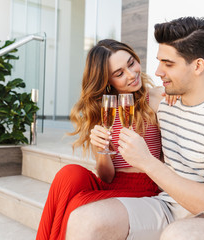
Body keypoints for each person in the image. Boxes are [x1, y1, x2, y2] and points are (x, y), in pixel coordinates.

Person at [65, 16, 204, 240]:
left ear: (198, 66)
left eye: (168, 64)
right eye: (159, 61)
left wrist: (146, 161)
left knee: (178, 236)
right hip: (165, 205)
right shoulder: (163, 102)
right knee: (84, 219)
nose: (157, 72)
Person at [36, 39, 177, 240]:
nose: (131, 74)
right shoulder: (105, 110)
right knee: (68, 174)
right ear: (106, 80)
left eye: (131, 63)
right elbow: (106, 177)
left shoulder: (155, 98)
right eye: (119, 74)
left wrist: (178, 93)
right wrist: (101, 149)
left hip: (143, 185)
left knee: (76, 206)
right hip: (112, 184)